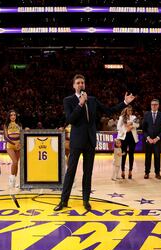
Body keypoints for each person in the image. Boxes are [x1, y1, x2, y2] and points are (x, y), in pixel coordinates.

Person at [54, 74, 135, 211]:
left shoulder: (92, 100)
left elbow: (109, 111)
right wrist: (80, 104)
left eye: (82, 83)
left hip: (90, 141)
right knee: (70, 172)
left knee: (88, 173)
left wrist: (125, 103)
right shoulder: (68, 100)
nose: (80, 84)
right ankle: (63, 201)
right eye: (78, 83)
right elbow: (70, 119)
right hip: (76, 141)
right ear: (74, 85)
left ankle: (86, 200)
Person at [142, 99, 161, 179]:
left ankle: (157, 173)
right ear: (150, 105)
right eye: (152, 104)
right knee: (147, 157)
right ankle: (146, 172)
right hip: (148, 140)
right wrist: (148, 138)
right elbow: (144, 129)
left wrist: (157, 138)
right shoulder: (146, 114)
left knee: (157, 157)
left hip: (157, 140)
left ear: (158, 106)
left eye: (155, 104)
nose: (154, 106)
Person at [116, 106, 139, 179]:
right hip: (124, 138)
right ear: (126, 111)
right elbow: (118, 127)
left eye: (131, 110)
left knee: (131, 155)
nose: (130, 111)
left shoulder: (134, 117)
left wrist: (131, 125)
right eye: (129, 110)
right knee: (124, 154)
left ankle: (130, 171)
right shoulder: (121, 118)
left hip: (132, 138)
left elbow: (137, 124)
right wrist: (126, 129)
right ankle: (122, 171)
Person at [4, 110, 22, 187]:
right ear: (9, 116)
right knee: (14, 162)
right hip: (10, 146)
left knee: (16, 163)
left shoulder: (19, 124)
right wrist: (14, 143)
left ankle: (15, 181)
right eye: (11, 115)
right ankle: (11, 179)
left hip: (18, 146)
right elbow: (6, 137)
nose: (13, 116)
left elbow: (21, 135)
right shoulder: (6, 125)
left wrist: (19, 143)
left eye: (14, 115)